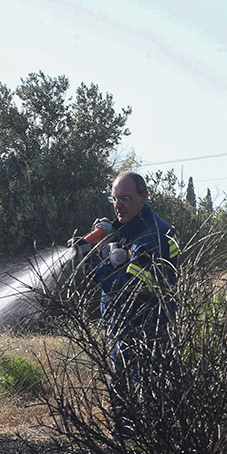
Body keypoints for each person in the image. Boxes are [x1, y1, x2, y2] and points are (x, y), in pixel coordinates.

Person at [87, 171, 179, 439]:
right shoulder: (129, 229)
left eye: (125, 198)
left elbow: (126, 290)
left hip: (146, 335)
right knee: (123, 399)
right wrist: (105, 238)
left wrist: (94, 262)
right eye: (114, 199)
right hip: (123, 334)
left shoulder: (154, 236)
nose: (119, 206)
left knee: (150, 401)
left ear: (144, 197)